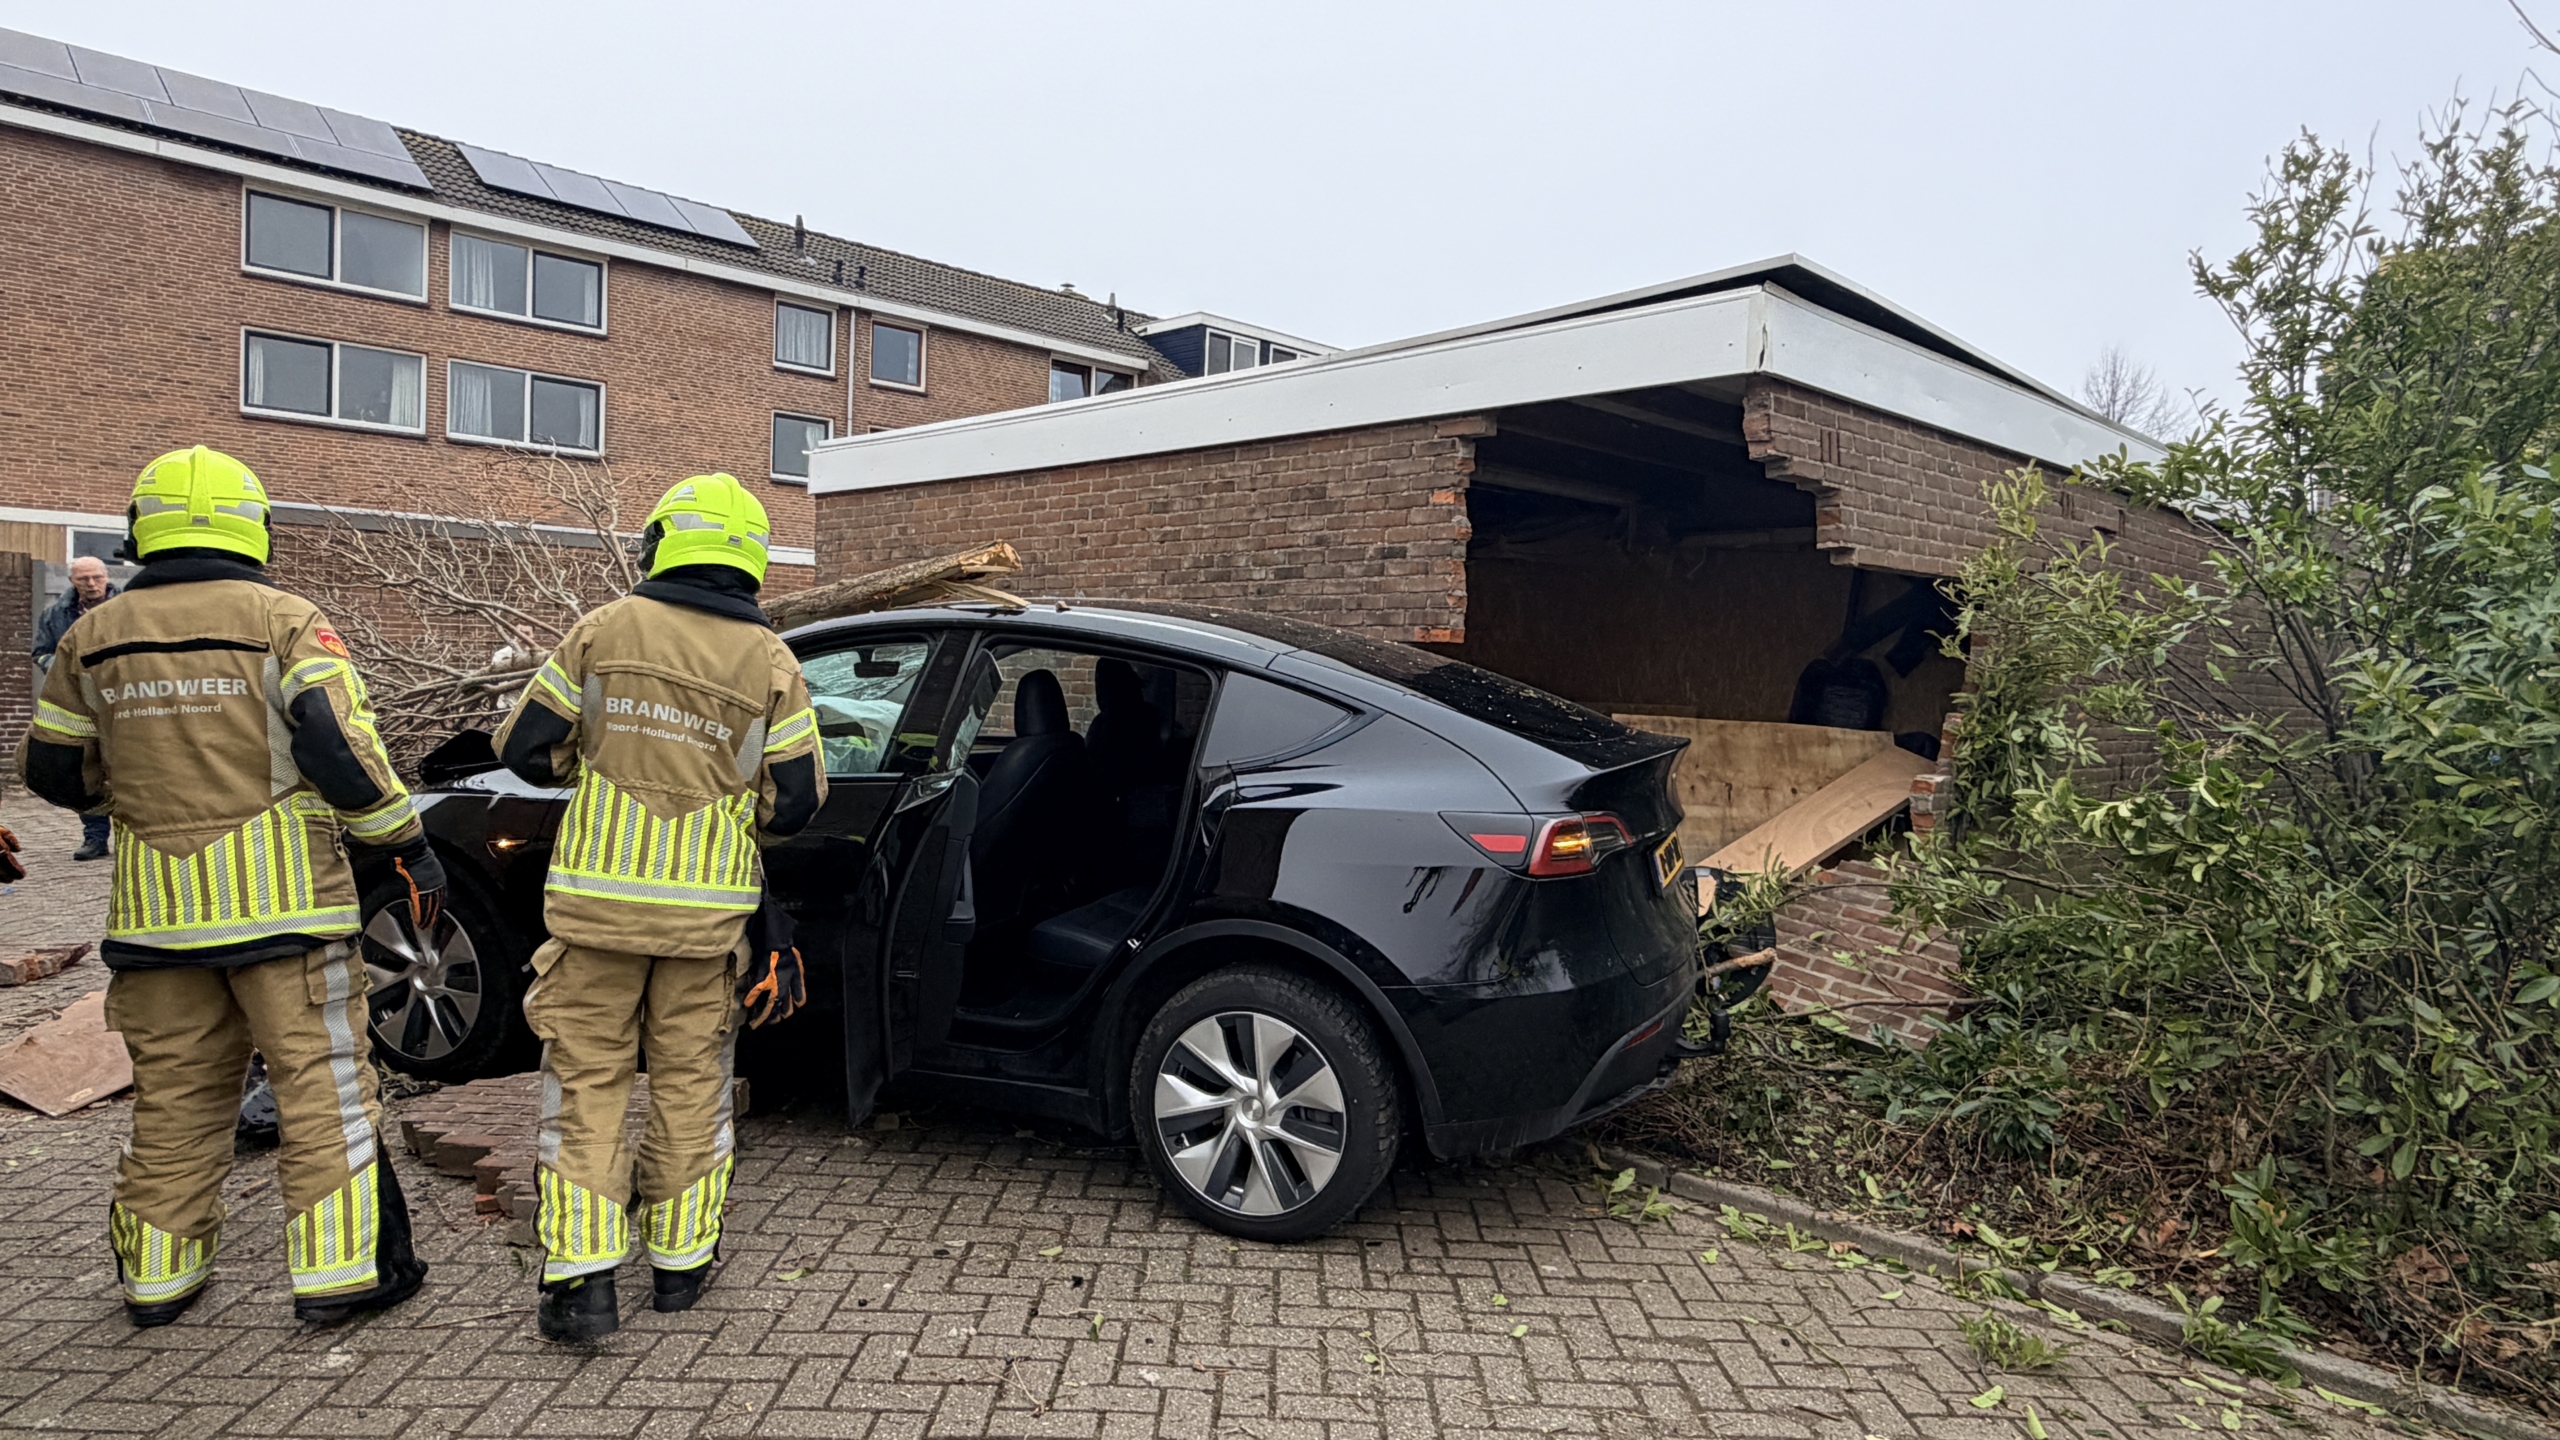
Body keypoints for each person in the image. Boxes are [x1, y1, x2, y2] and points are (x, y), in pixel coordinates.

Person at [18, 446, 439, 1328]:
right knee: (322, 1091)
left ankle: (158, 1282)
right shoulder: (284, 619)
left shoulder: (93, 635)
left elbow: (52, 770)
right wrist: (400, 839)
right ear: (255, 525)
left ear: (142, 528)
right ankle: (340, 1278)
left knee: (176, 1100)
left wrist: (129, 798)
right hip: (287, 913)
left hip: (156, 919)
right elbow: (339, 748)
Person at [492, 472, 824, 1342]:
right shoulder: (771, 662)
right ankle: (680, 1269)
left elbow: (528, 747)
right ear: (750, 558)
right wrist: (731, 809)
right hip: (703, 931)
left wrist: (589, 768)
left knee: (588, 1087)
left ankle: (582, 1284)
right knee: (691, 1086)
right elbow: (796, 801)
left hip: (594, 919)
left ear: (660, 543)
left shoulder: (603, 631)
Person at [30, 555, 120, 860]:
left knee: (129, 766)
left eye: (96, 577)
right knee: (86, 769)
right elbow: (40, 652)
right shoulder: (55, 615)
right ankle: (94, 838)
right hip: (79, 705)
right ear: (72, 581)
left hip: (123, 700)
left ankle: (134, 837)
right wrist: (61, 668)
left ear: (107, 577)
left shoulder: (129, 608)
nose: (92, 584)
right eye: (84, 579)